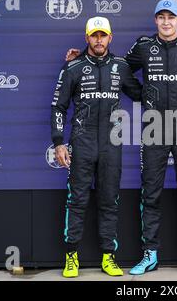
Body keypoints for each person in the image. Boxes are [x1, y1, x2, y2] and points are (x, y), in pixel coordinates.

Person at [66, 0, 177, 275]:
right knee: (150, 193)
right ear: (156, 20)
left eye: (172, 17)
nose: (166, 22)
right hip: (153, 125)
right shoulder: (143, 46)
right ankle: (150, 253)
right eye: (161, 17)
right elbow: (114, 67)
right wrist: (80, 59)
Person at [51, 16, 142, 278]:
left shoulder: (121, 66)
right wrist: (59, 142)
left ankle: (108, 257)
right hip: (82, 141)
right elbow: (59, 106)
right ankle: (71, 257)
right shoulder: (73, 67)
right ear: (87, 37)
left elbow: (140, 94)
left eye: (103, 35)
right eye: (94, 35)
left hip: (112, 142)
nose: (99, 40)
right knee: (77, 200)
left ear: (110, 38)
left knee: (109, 200)